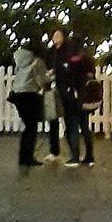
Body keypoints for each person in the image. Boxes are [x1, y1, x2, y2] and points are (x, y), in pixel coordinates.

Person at [11, 39, 47, 169]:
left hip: (17, 95)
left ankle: (23, 157)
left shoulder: (21, 60)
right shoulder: (38, 62)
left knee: (27, 127)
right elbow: (41, 80)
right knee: (32, 128)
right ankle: (28, 157)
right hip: (30, 95)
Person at [64, 37, 96, 167]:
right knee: (84, 128)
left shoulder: (71, 62)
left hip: (74, 97)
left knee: (72, 128)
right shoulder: (87, 60)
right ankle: (89, 156)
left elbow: (69, 79)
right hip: (86, 98)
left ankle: (74, 157)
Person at [44, 27, 70, 162]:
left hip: (63, 88)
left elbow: (68, 69)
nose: (56, 37)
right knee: (52, 119)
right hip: (51, 89)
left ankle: (73, 151)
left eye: (59, 35)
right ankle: (54, 151)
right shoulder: (50, 52)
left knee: (68, 119)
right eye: (54, 35)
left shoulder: (67, 52)